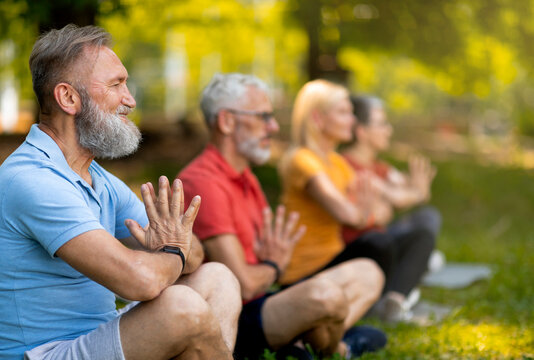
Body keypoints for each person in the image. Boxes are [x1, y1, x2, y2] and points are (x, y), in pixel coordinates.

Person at [0, 25, 241, 360]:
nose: (131, 100)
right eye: (116, 85)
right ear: (68, 98)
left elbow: (193, 252)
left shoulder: (96, 178)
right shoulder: (31, 179)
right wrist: (172, 255)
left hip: (96, 337)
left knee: (218, 278)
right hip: (44, 353)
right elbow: (139, 282)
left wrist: (171, 250)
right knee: (180, 304)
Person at [179, 73, 386, 360]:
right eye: (263, 117)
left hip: (266, 299)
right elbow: (244, 283)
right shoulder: (203, 183)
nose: (273, 126)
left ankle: (300, 343)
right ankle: (334, 347)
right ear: (227, 121)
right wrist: (275, 266)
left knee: (369, 272)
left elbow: (262, 263)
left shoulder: (246, 178)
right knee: (326, 297)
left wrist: (271, 264)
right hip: (235, 319)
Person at [278, 80, 434, 323]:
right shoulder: (302, 160)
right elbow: (347, 214)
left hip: (334, 259)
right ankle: (377, 301)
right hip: (305, 273)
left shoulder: (336, 162)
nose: (352, 120)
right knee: (377, 242)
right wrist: (365, 213)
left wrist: (367, 212)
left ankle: (388, 300)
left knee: (413, 233)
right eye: (343, 112)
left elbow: (383, 208)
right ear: (318, 119)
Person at [341, 95, 442, 320]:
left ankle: (398, 294)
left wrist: (415, 191)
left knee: (428, 217)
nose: (389, 129)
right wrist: (415, 192)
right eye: (382, 123)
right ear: (362, 131)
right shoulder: (348, 166)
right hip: (363, 249)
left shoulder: (379, 167)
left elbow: (406, 189)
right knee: (423, 234)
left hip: (382, 238)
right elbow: (399, 197)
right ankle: (405, 283)